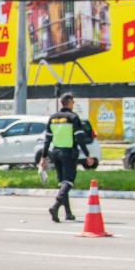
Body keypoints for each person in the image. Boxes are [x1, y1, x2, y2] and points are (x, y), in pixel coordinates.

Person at [36, 93, 95, 224]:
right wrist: (87, 155)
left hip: (56, 153)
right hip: (68, 153)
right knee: (68, 181)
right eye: (73, 102)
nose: (73, 104)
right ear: (69, 103)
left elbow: (47, 140)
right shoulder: (73, 117)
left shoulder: (53, 118)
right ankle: (55, 206)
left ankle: (68, 213)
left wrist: (43, 157)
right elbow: (79, 138)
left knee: (62, 183)